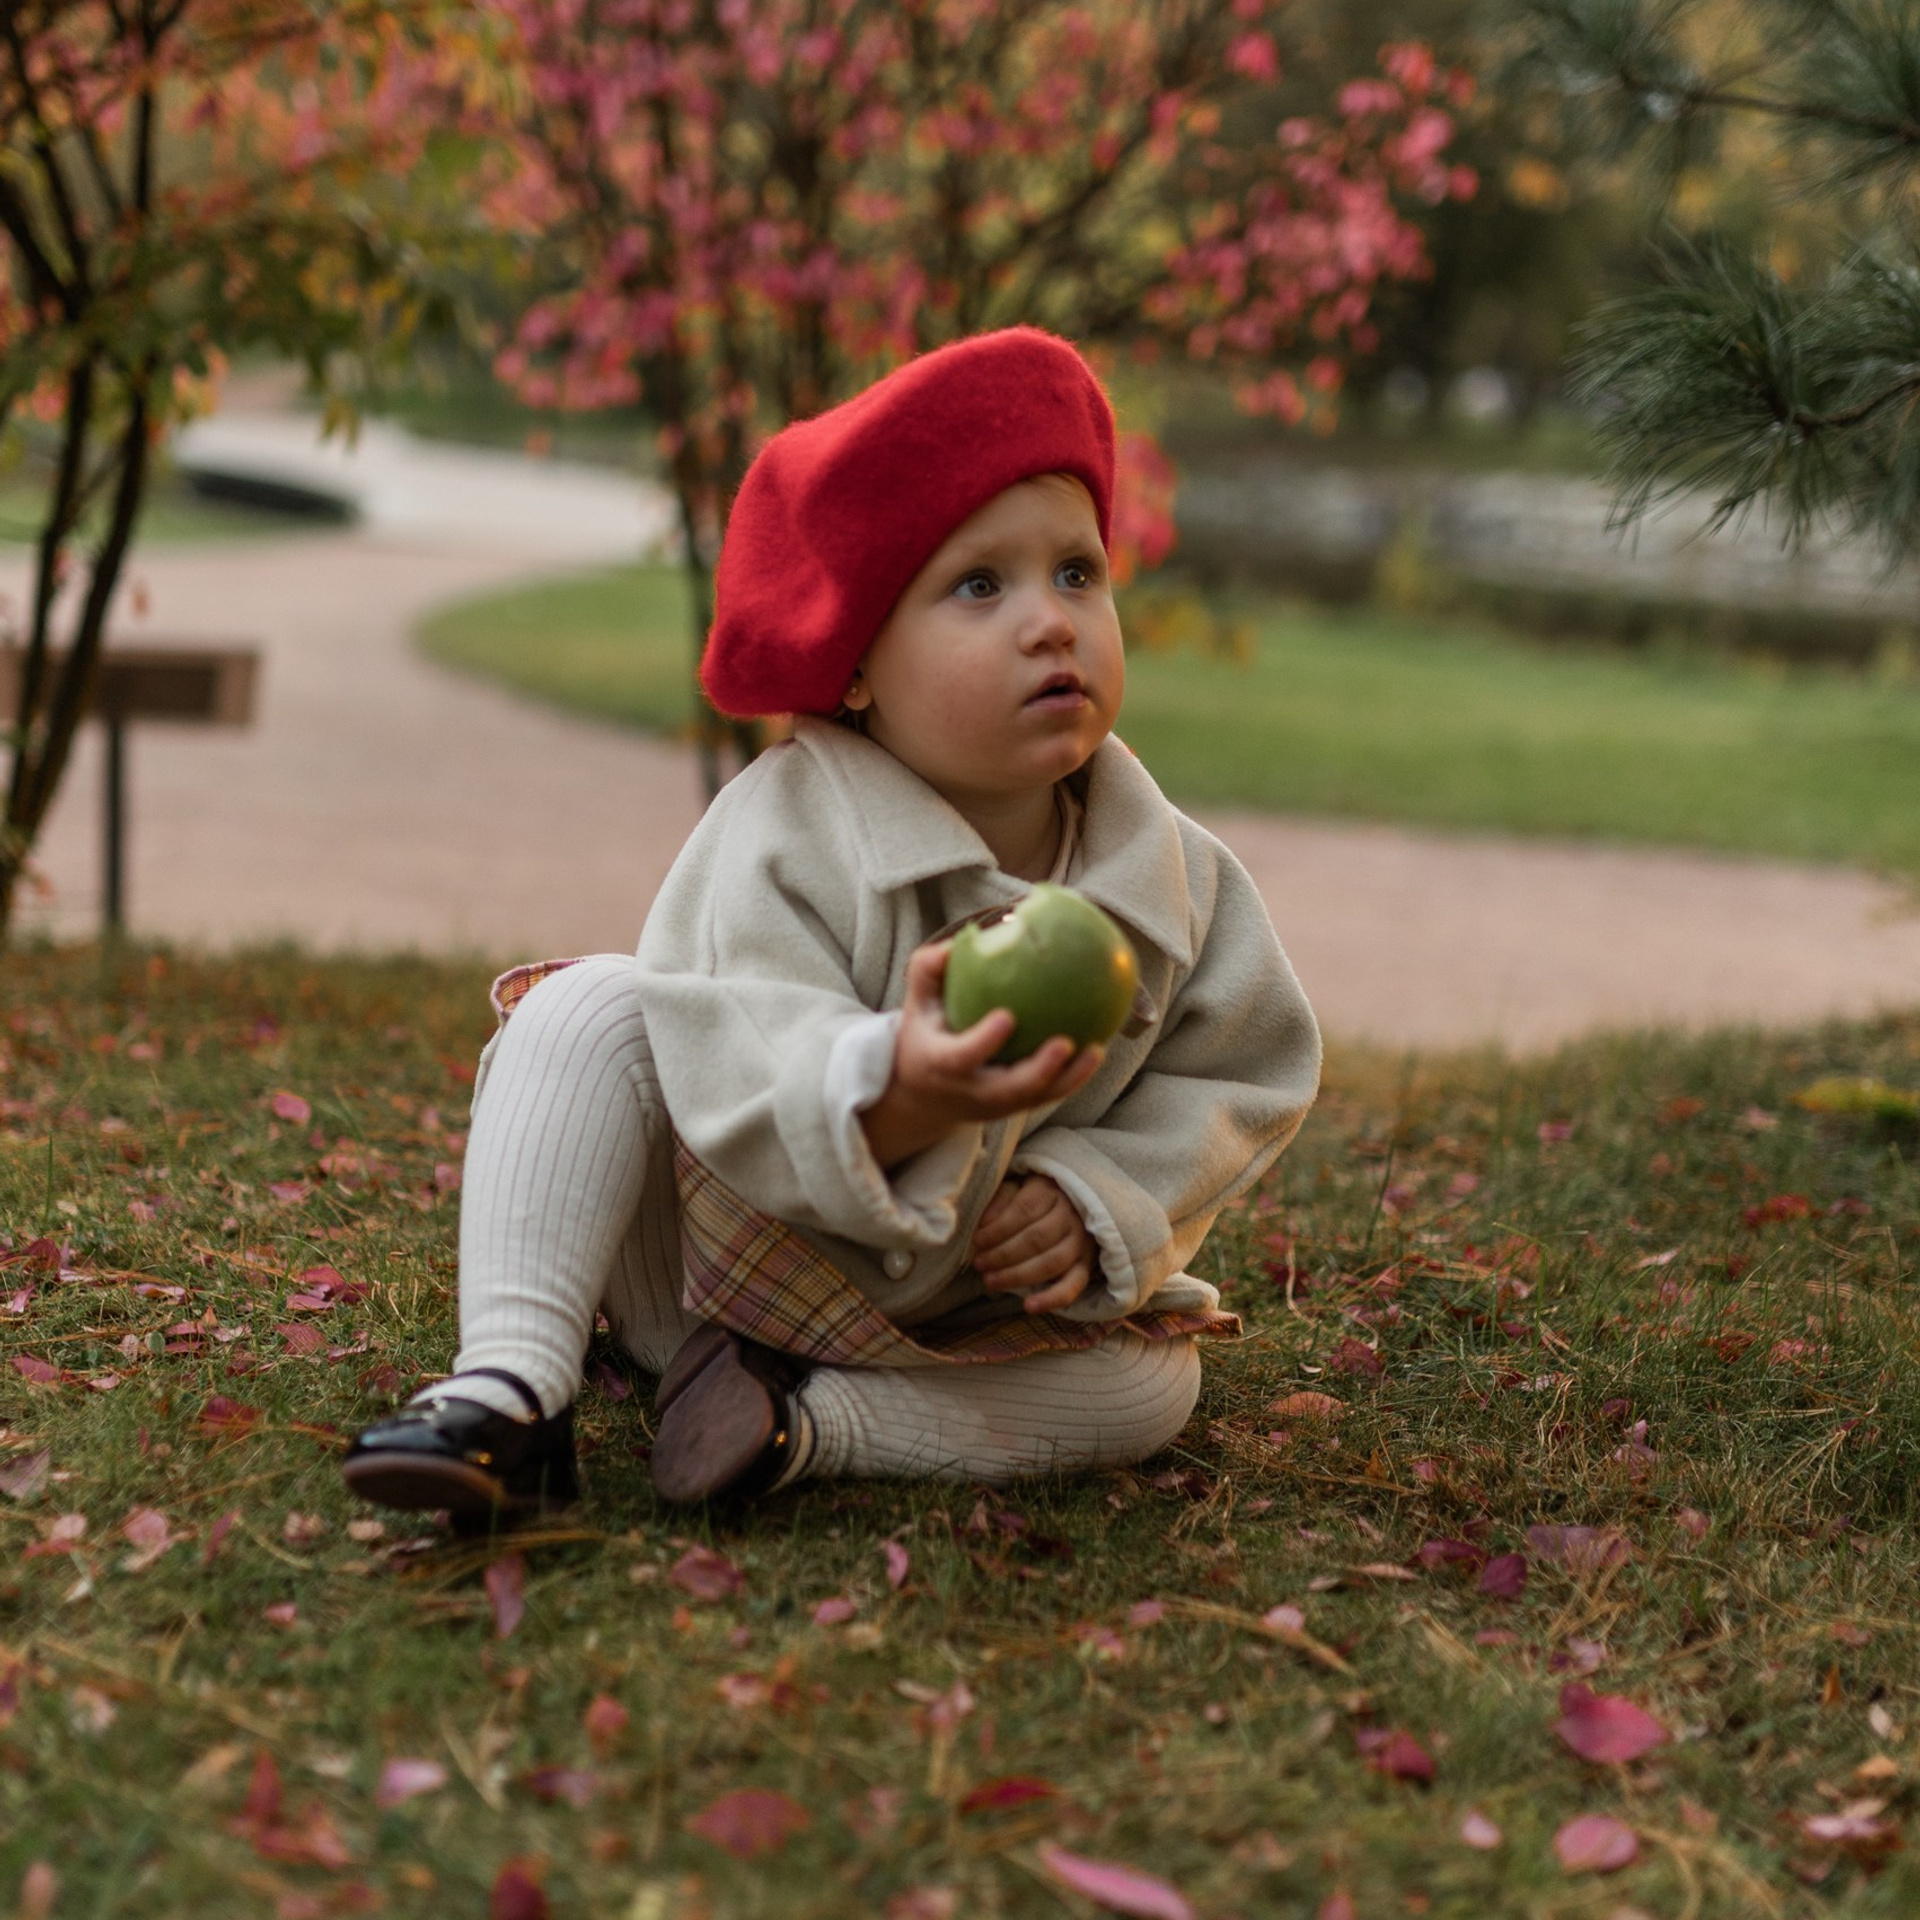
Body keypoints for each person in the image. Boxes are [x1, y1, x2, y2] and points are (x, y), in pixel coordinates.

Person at [342, 326, 1320, 1520]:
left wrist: (1096, 1197)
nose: (1051, 621)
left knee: (1151, 1391)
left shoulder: (1171, 876)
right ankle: (510, 1390)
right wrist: (903, 1086)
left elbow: (1242, 1073)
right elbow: (738, 1040)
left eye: (1077, 571)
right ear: (854, 665)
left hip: (956, 1314)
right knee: (592, 1008)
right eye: (980, 586)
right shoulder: (785, 831)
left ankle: (799, 1424)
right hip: (707, 1268)